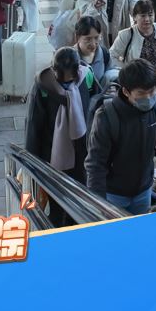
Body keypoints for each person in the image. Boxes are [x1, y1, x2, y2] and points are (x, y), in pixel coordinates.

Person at [85, 59, 156, 215]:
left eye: (152, 91)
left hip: (144, 191)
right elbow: (95, 164)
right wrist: (98, 202)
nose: (148, 98)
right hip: (113, 195)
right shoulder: (106, 117)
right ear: (126, 92)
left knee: (140, 228)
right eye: (141, 94)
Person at [25, 47, 98, 226]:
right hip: (52, 155)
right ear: (54, 70)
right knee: (56, 202)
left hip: (81, 153)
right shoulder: (42, 86)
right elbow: (34, 126)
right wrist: (32, 162)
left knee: (79, 200)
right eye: (62, 79)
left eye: (71, 78)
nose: (67, 84)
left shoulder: (86, 76)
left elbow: (97, 102)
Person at [110, 0, 156, 110]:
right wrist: (128, 70)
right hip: (138, 86)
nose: (147, 19)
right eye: (142, 15)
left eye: (150, 15)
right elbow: (112, 55)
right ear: (134, 17)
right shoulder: (126, 35)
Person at [74, 16, 111, 86]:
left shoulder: (104, 54)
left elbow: (110, 73)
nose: (93, 43)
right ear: (77, 37)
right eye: (88, 39)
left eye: (96, 38)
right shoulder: (69, 58)